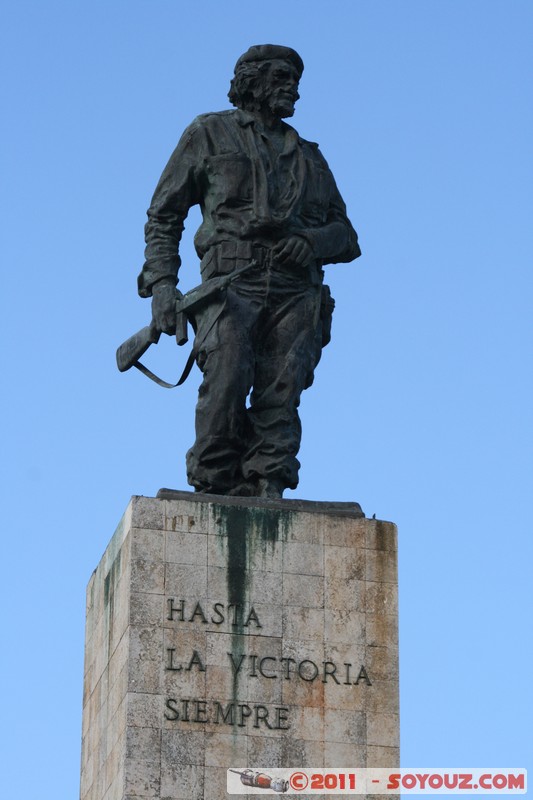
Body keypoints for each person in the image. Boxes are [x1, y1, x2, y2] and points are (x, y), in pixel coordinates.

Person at [137, 44, 361, 498]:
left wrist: (312, 242)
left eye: (295, 79)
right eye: (281, 78)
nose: (292, 87)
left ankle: (268, 483)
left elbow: (348, 236)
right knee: (227, 375)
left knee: (283, 385)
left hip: (296, 289)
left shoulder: (311, 158)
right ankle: (215, 483)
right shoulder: (209, 133)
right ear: (250, 81)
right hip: (229, 284)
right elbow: (164, 214)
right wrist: (163, 287)